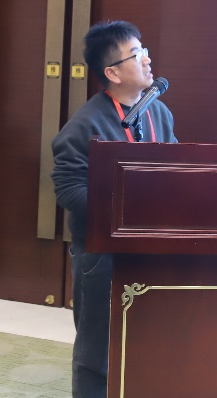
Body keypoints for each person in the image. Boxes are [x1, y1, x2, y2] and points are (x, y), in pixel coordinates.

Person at [51, 20, 177, 398]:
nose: (147, 59)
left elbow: (173, 169)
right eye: (137, 54)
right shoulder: (83, 125)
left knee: (149, 335)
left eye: (144, 50)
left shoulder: (158, 112)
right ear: (113, 73)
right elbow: (68, 189)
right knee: (98, 347)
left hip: (150, 246)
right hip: (100, 252)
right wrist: (122, 209)